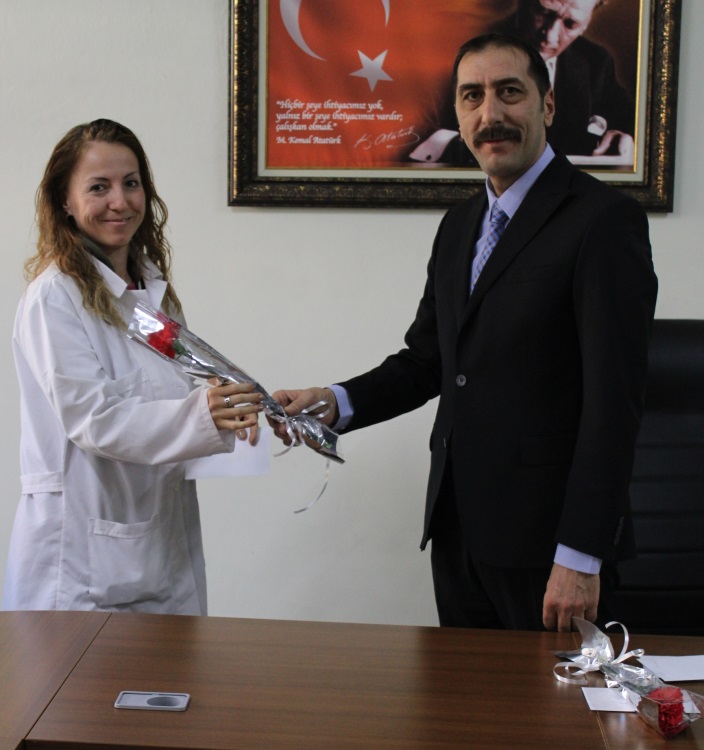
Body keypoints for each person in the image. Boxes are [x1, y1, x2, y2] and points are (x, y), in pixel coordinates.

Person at [273, 34, 657, 631]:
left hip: (552, 551)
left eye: (510, 92)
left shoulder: (603, 220)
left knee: (558, 699)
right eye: (472, 96)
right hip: (458, 535)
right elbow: (428, 360)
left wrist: (582, 556)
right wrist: (334, 402)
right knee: (464, 695)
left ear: (547, 105)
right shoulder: (459, 225)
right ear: (456, 112)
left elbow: (615, 404)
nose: (490, 114)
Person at [3, 119, 262, 613]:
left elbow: (169, 395)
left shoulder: (149, 295)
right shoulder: (55, 297)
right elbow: (93, 419)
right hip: (83, 562)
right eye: (98, 187)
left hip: (160, 545)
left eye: (131, 183)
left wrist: (234, 404)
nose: (119, 202)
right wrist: (205, 414)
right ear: (64, 200)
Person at [411, 0, 635, 164]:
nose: (549, 35)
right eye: (545, 13)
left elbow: (634, 124)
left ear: (587, 23)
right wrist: (451, 146)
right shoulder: (455, 48)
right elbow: (407, 131)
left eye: (570, 24)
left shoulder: (595, 61)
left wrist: (623, 138)